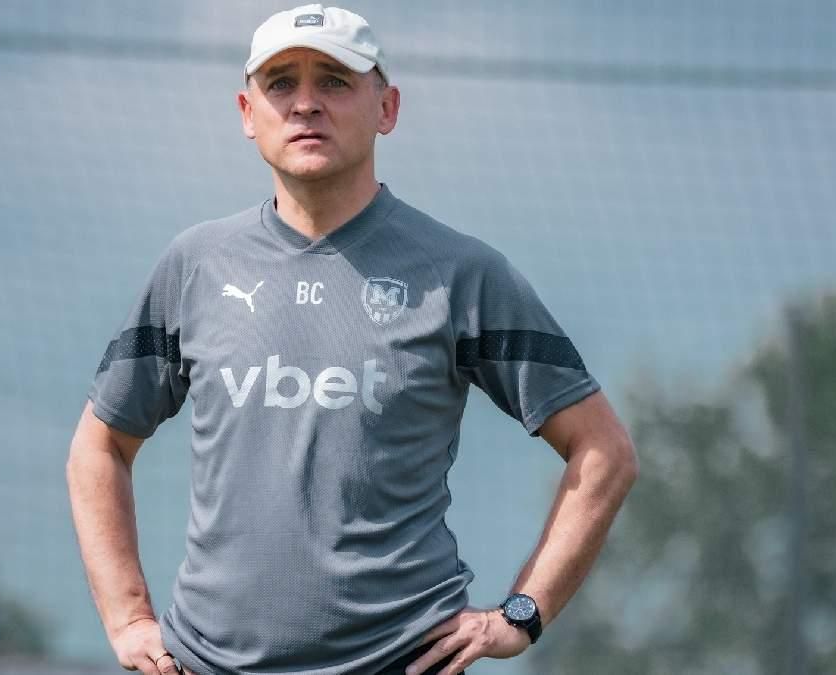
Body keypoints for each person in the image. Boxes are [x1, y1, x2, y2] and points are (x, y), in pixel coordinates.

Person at [67, 4, 639, 674]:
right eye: (281, 83)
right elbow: (99, 447)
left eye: (335, 81)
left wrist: (521, 612)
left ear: (386, 108)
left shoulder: (460, 273)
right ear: (248, 113)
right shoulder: (195, 266)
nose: (306, 103)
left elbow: (604, 451)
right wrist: (128, 617)